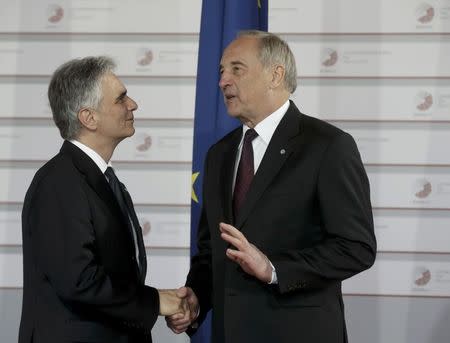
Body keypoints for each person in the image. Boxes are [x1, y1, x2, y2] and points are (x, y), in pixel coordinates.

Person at [166, 31, 377, 343]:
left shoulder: (327, 146)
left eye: (237, 69)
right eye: (221, 71)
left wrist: (274, 268)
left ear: (275, 75)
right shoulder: (219, 154)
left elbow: (356, 248)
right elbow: (212, 248)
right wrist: (196, 298)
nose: (223, 81)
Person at [19, 56, 189, 343]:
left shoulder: (104, 181)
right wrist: (153, 302)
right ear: (89, 117)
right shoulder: (59, 182)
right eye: (121, 98)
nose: (132, 104)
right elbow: (79, 281)